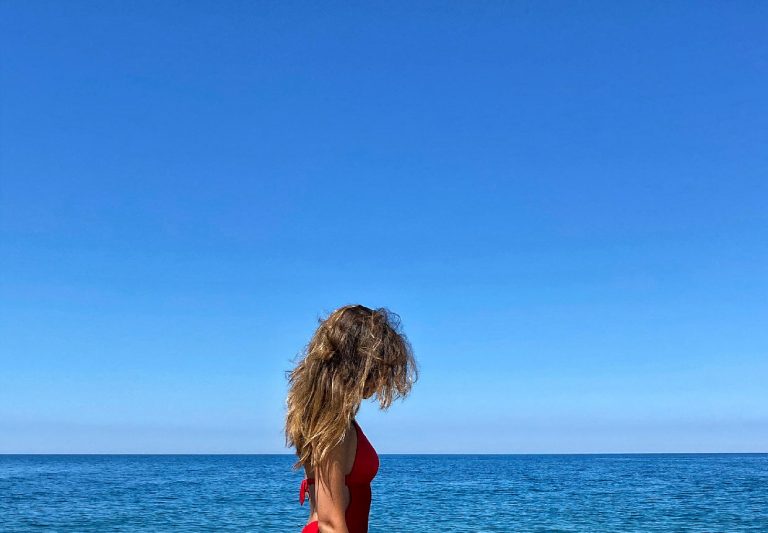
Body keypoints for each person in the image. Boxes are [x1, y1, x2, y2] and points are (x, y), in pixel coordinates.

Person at [285, 304, 417, 533]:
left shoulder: (330, 419)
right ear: (356, 364)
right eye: (378, 367)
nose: (381, 379)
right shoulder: (331, 426)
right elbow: (330, 523)